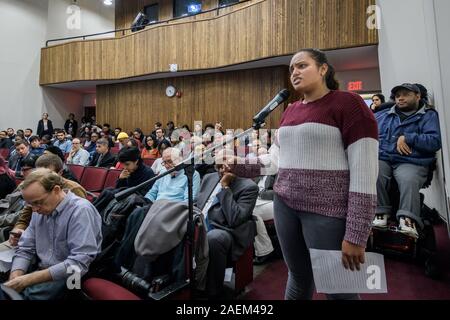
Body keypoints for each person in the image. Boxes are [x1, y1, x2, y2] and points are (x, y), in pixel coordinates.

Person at [257, 48, 378, 300]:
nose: (295, 72)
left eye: (302, 66)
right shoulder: (290, 110)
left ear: (323, 69)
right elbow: (275, 160)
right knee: (298, 277)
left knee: (339, 288)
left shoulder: (349, 103)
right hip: (285, 206)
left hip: (326, 212)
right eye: (292, 69)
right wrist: (236, 164)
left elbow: (364, 173)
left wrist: (357, 233)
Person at [3, 168, 101, 299]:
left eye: (38, 202)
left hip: (74, 275)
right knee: (9, 291)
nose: (35, 209)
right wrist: (16, 275)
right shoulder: (39, 210)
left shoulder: (81, 211)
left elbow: (78, 263)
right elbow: (25, 248)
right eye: (31, 204)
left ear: (56, 190)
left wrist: (27, 280)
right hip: (42, 269)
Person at [373, 83, 441, 238]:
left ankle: (408, 218)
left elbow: (434, 141)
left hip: (411, 160)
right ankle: (380, 212)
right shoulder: (382, 115)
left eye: (405, 94)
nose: (400, 98)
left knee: (408, 179)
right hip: (385, 157)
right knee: (373, 170)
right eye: (397, 96)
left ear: (418, 96)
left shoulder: (428, 115)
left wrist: (409, 137)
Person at [196, 149, 259, 298]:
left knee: (214, 238)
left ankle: (212, 291)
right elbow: (198, 202)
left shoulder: (249, 187)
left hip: (226, 230)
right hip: (201, 220)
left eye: (226, 164)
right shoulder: (209, 178)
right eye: (218, 166)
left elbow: (235, 219)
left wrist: (225, 187)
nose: (221, 170)